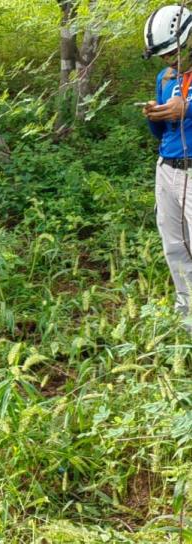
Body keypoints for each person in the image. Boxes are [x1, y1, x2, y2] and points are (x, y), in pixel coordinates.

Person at [142, 5, 192, 324]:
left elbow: (184, 110)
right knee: (173, 244)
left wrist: (186, 107)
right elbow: (163, 132)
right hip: (167, 167)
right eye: (162, 57)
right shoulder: (165, 77)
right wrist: (154, 115)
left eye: (173, 53)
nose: (167, 62)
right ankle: (186, 312)